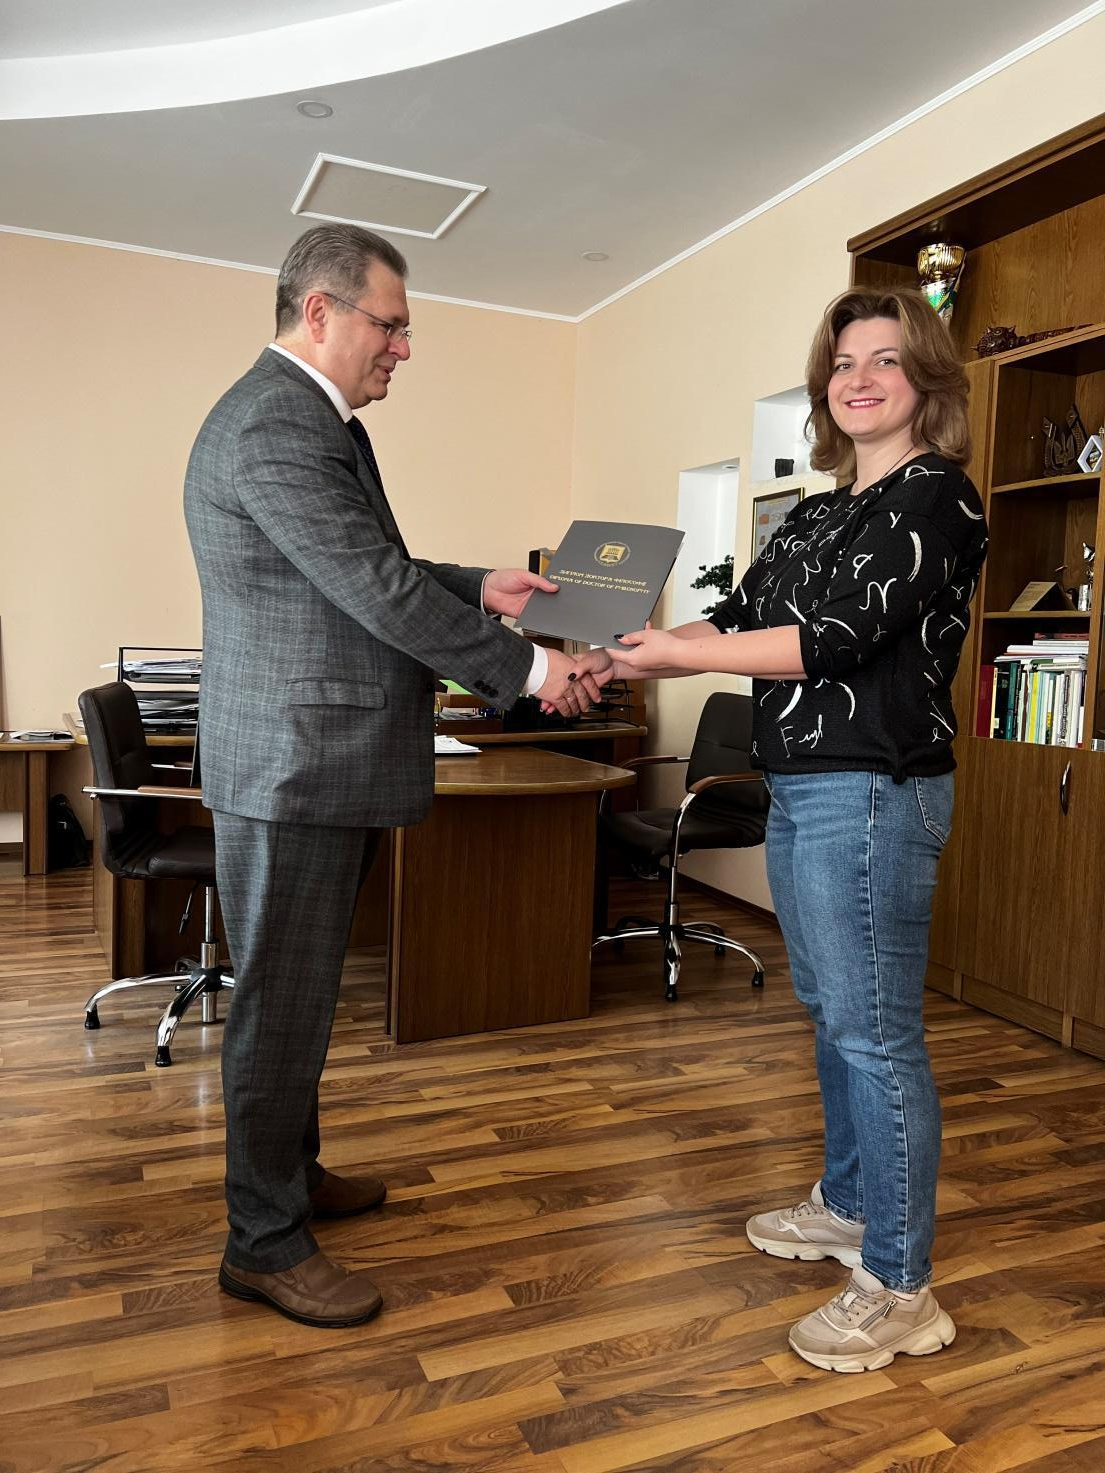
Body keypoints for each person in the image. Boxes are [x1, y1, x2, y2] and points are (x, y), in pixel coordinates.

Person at [185, 222, 607, 1329]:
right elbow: (371, 587)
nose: (404, 348)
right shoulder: (276, 423)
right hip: (294, 764)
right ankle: (261, 1242)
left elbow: (367, 563)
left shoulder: (312, 422)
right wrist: (531, 670)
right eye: (393, 324)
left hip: (313, 755)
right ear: (320, 312)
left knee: (303, 997)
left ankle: (291, 1177)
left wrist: (478, 585)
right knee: (280, 1006)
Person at [607, 285, 988, 1372]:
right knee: (832, 1017)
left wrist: (672, 657)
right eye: (842, 363)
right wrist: (620, 649)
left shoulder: (937, 497)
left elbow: (833, 640)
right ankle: (851, 1206)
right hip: (801, 785)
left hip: (872, 789)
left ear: (925, 378)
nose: (858, 380)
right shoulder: (817, 514)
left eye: (884, 359)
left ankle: (902, 1287)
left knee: (874, 1033)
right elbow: (734, 618)